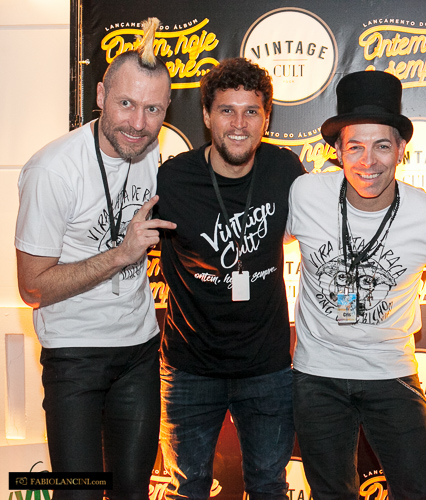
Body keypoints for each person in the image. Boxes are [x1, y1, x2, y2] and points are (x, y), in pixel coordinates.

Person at [285, 70, 426, 500]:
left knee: (419, 491)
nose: (368, 161)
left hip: (391, 373)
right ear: (337, 151)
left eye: (382, 146)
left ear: (402, 149)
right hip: (317, 376)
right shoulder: (305, 194)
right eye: (356, 147)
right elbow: (256, 243)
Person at [14, 19, 173, 500]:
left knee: (133, 491)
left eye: (152, 109)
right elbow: (32, 287)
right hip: (74, 357)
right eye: (126, 104)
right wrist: (121, 254)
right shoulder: (53, 170)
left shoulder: (150, 151)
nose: (138, 123)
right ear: (100, 95)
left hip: (139, 352)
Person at [156, 57, 305, 499]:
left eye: (251, 111)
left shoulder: (285, 170)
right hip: (189, 367)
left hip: (267, 367)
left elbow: (347, 204)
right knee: (187, 489)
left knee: (269, 487)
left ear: (266, 119)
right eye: (226, 110)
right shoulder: (172, 179)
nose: (239, 124)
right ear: (206, 116)